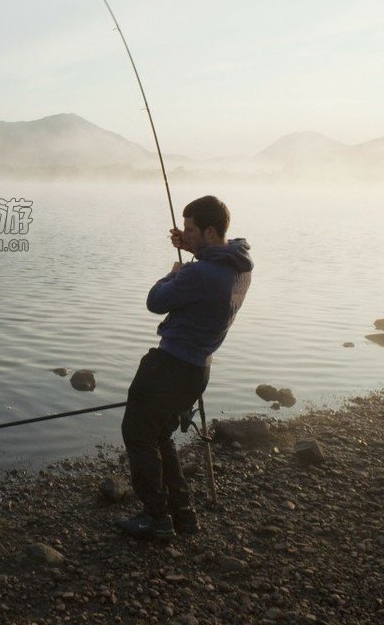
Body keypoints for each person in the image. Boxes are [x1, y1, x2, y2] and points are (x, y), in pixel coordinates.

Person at [118, 195, 253, 542]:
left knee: (138, 434)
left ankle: (156, 518)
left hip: (170, 367)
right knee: (159, 434)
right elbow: (210, 266)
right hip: (197, 370)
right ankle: (183, 514)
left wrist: (174, 272)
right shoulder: (238, 264)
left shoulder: (202, 274)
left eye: (191, 230)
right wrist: (193, 248)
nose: (184, 233)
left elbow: (156, 301)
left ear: (210, 231)